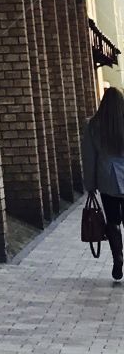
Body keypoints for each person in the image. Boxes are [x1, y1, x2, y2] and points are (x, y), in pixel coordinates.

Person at [82, 85, 124, 281]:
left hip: (107, 180)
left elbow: (89, 158)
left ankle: (118, 257)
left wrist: (90, 185)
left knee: (113, 221)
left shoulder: (93, 125)